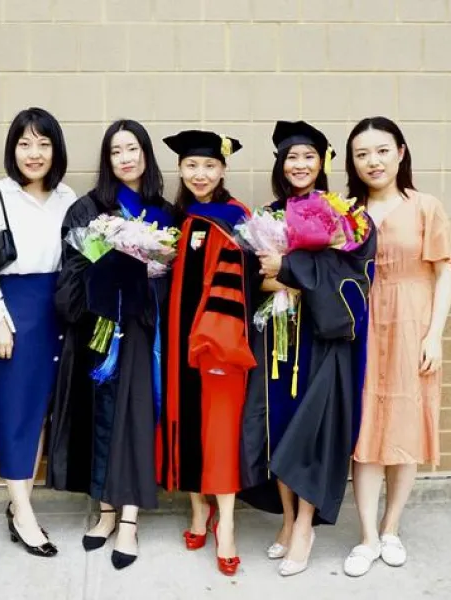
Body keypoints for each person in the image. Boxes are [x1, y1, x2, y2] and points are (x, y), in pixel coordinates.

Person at [239, 120, 376, 576]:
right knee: (278, 426)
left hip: (321, 343)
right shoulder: (269, 215)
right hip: (278, 337)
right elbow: (260, 279)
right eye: (291, 157)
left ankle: (303, 526)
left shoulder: (345, 216)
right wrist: (293, 270)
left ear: (323, 164)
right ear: (281, 164)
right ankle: (285, 522)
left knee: (310, 433)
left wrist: (290, 268)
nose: (300, 165)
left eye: (309, 157)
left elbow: (353, 278)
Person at [46, 119, 173, 570]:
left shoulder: (163, 211)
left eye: (133, 148)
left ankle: (131, 521)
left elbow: (174, 278)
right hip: (100, 333)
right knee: (102, 418)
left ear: (145, 154)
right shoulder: (89, 209)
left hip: (142, 331)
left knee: (136, 419)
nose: (125, 157)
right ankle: (104, 511)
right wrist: (107, 279)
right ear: (107, 158)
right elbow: (72, 268)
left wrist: (149, 275)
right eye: (116, 150)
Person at [342, 117, 451, 577]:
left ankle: (391, 528)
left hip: (411, 324)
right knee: (366, 430)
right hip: (362, 328)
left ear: (401, 153)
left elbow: (445, 271)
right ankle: (367, 536)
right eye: (362, 154)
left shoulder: (425, 206)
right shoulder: (346, 210)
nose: (373, 161)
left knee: (403, 426)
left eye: (382, 151)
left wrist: (433, 335)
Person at [0, 108, 76, 557]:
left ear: (56, 150)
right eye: (25, 144)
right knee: (18, 415)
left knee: (46, 415)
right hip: (17, 313)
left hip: (61, 310)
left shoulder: (68, 197)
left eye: (43, 144)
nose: (34, 154)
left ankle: (22, 504)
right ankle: (22, 511)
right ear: (13, 149)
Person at [158, 130, 255, 577]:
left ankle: (228, 526)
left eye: (210, 166)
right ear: (180, 170)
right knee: (184, 421)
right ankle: (199, 512)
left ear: (223, 170)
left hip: (219, 344)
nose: (200, 174)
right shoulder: (182, 218)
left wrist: (216, 339)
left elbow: (236, 289)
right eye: (192, 166)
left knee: (218, 430)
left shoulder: (235, 219)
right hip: (179, 341)